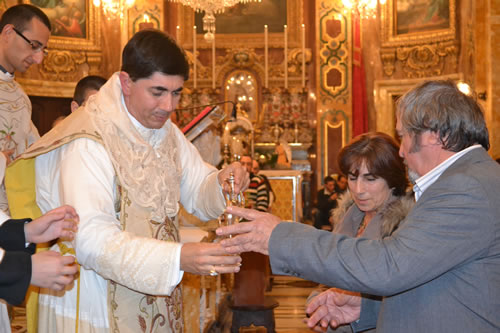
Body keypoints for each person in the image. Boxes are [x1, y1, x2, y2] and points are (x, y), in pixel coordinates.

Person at [6, 29, 247, 332]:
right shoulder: (88, 140)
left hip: (153, 298)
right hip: (94, 300)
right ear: (125, 82)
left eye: (177, 93)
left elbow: (199, 191)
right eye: (158, 92)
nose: (169, 106)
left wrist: (222, 181)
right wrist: (177, 258)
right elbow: (91, 240)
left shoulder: (165, 131)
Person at [217, 80, 500, 332]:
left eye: (403, 137)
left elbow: (389, 265)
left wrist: (280, 235)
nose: (400, 151)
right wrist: (366, 309)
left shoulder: (466, 186)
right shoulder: (470, 178)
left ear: (434, 135)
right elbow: (437, 281)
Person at [306, 132, 412, 332]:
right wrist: (318, 303)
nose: (358, 189)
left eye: (370, 179)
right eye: (352, 178)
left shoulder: (406, 224)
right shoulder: (348, 215)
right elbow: (329, 278)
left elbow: (407, 298)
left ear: (392, 179)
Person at [0, 4, 50, 213]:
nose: (38, 58)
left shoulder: (20, 97)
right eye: (33, 45)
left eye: (43, 50)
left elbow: (35, 150)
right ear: (8, 32)